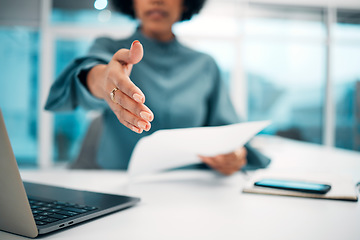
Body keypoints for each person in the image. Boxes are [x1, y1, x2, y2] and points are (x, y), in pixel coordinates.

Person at [45, 0, 270, 175]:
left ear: (185, 3)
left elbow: (229, 134)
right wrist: (101, 80)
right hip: (117, 188)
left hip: (189, 192)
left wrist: (235, 154)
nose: (157, 0)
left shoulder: (205, 65)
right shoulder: (110, 48)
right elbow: (89, 75)